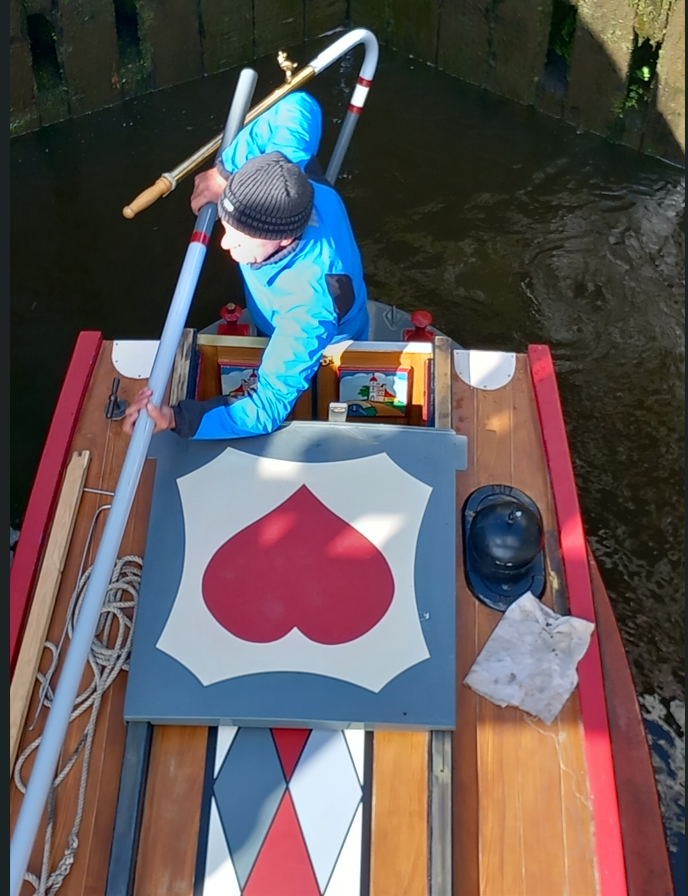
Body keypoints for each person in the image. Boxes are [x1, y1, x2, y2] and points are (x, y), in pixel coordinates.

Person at [123, 91, 369, 440]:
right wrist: (225, 173)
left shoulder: (308, 309)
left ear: (283, 239)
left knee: (313, 378)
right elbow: (298, 104)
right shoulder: (286, 170)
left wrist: (177, 418)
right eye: (226, 227)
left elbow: (266, 410)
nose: (225, 244)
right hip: (279, 310)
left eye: (243, 238)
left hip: (331, 339)